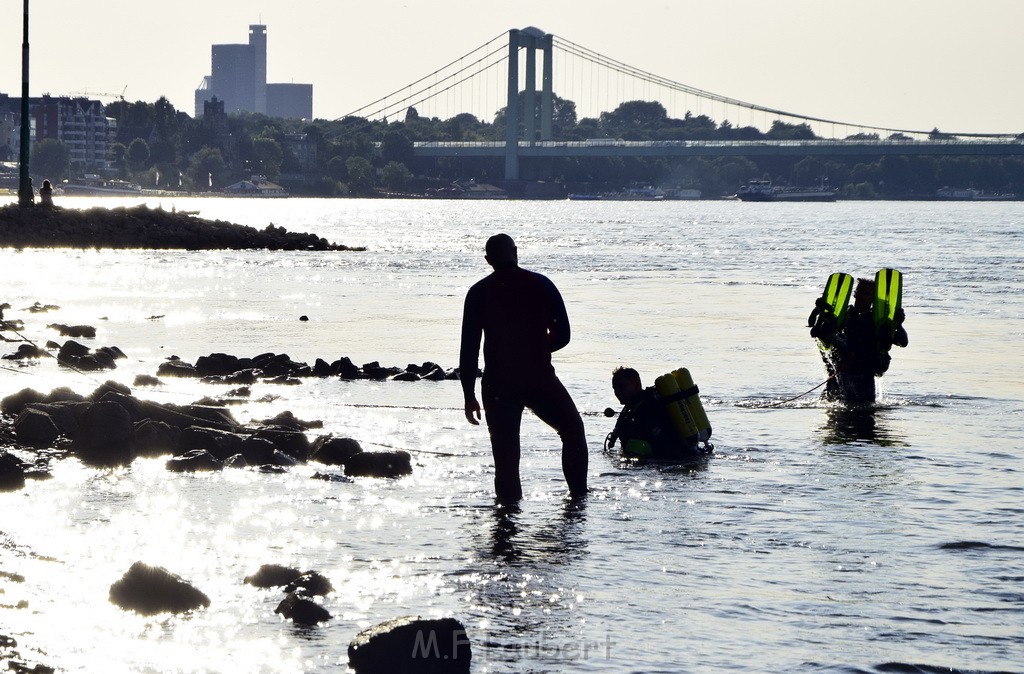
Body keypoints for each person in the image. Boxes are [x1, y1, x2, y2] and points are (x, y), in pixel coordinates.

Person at [460, 233, 588, 503]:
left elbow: (469, 350)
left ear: (488, 260)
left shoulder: (478, 293)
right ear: (515, 252)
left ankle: (507, 523)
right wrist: (538, 349)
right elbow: (563, 335)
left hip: (498, 383)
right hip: (538, 377)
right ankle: (578, 501)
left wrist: (468, 396)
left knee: (506, 456)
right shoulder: (541, 284)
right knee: (573, 431)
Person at [820, 277, 908, 404]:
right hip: (838, 377)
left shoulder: (878, 323)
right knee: (833, 413)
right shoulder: (842, 317)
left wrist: (899, 324)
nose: (862, 297)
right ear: (854, 294)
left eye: (866, 294)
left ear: (873, 299)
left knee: (864, 415)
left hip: (865, 379)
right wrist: (821, 315)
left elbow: (903, 342)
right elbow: (822, 335)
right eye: (859, 293)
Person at [608, 367, 697, 459]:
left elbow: (664, 446)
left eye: (621, 387)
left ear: (636, 384)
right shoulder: (631, 408)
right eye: (615, 388)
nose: (617, 392)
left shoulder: (648, 407)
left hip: (673, 461)